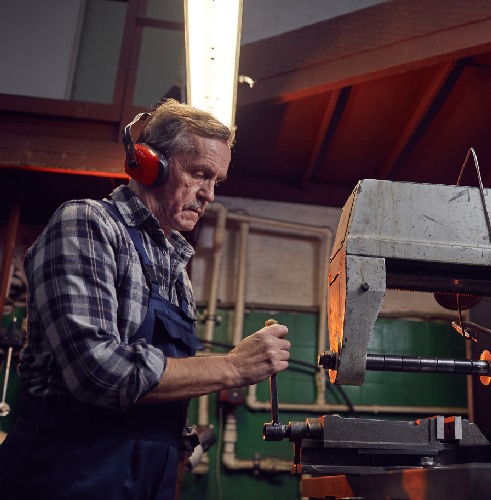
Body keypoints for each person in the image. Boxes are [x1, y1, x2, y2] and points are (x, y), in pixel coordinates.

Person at [0, 99, 291, 499]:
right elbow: (97, 372)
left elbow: (162, 391)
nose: (208, 195)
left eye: (216, 181)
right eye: (199, 174)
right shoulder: (88, 223)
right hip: (67, 476)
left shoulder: (175, 266)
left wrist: (176, 446)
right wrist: (233, 368)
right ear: (148, 163)